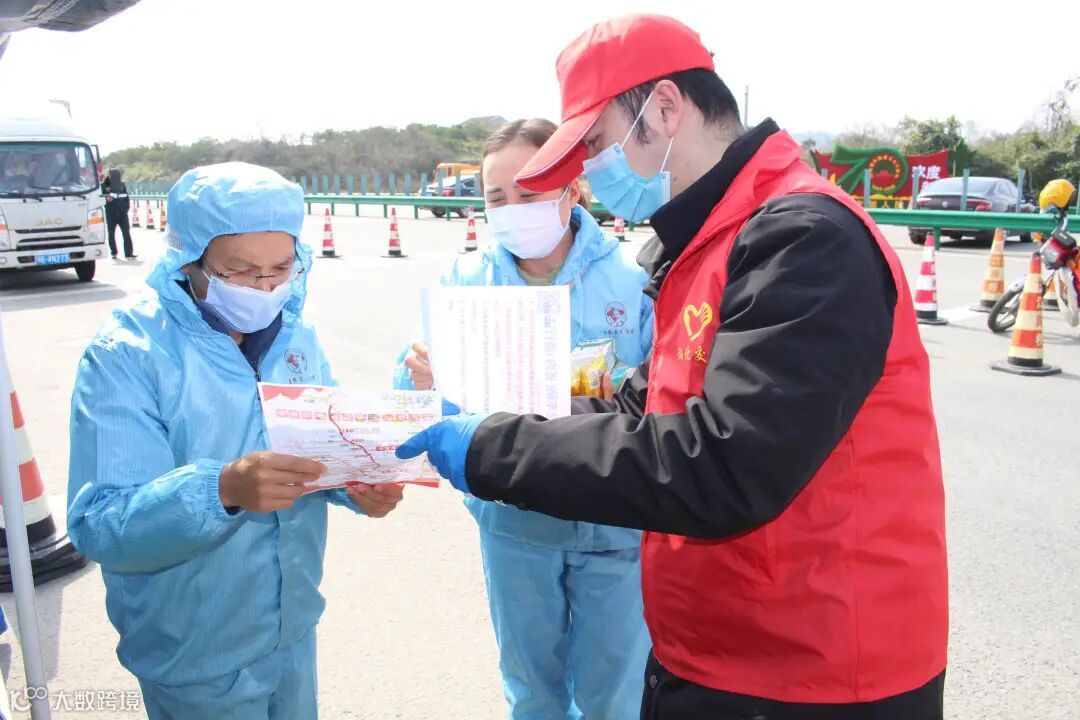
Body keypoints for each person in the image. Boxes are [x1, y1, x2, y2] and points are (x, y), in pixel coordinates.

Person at [398, 14, 948, 720]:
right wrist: (499, 417)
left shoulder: (802, 240)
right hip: (722, 645)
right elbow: (641, 407)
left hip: (812, 671)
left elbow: (723, 463)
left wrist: (492, 446)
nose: (591, 170)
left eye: (594, 145)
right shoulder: (710, 240)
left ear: (662, 108)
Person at [67, 162, 405, 719]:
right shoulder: (128, 355)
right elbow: (100, 523)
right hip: (194, 649)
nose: (267, 288)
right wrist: (221, 490)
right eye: (242, 272)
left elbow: (322, 444)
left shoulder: (294, 334)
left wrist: (355, 485)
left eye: (281, 268)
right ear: (190, 260)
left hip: (291, 626)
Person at [393, 118, 654, 719]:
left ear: (571, 188)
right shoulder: (465, 280)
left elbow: (662, 399)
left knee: (613, 697)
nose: (513, 210)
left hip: (613, 528)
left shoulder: (632, 279)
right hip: (513, 523)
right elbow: (410, 399)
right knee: (532, 693)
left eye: (530, 192)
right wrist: (418, 376)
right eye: (497, 197)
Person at [101, 167, 135, 259]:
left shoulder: (122, 184)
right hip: (111, 214)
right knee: (111, 233)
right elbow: (100, 197)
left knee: (126, 233)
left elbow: (126, 197)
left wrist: (126, 208)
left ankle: (129, 253)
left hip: (122, 213)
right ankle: (114, 252)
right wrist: (106, 199)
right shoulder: (104, 185)